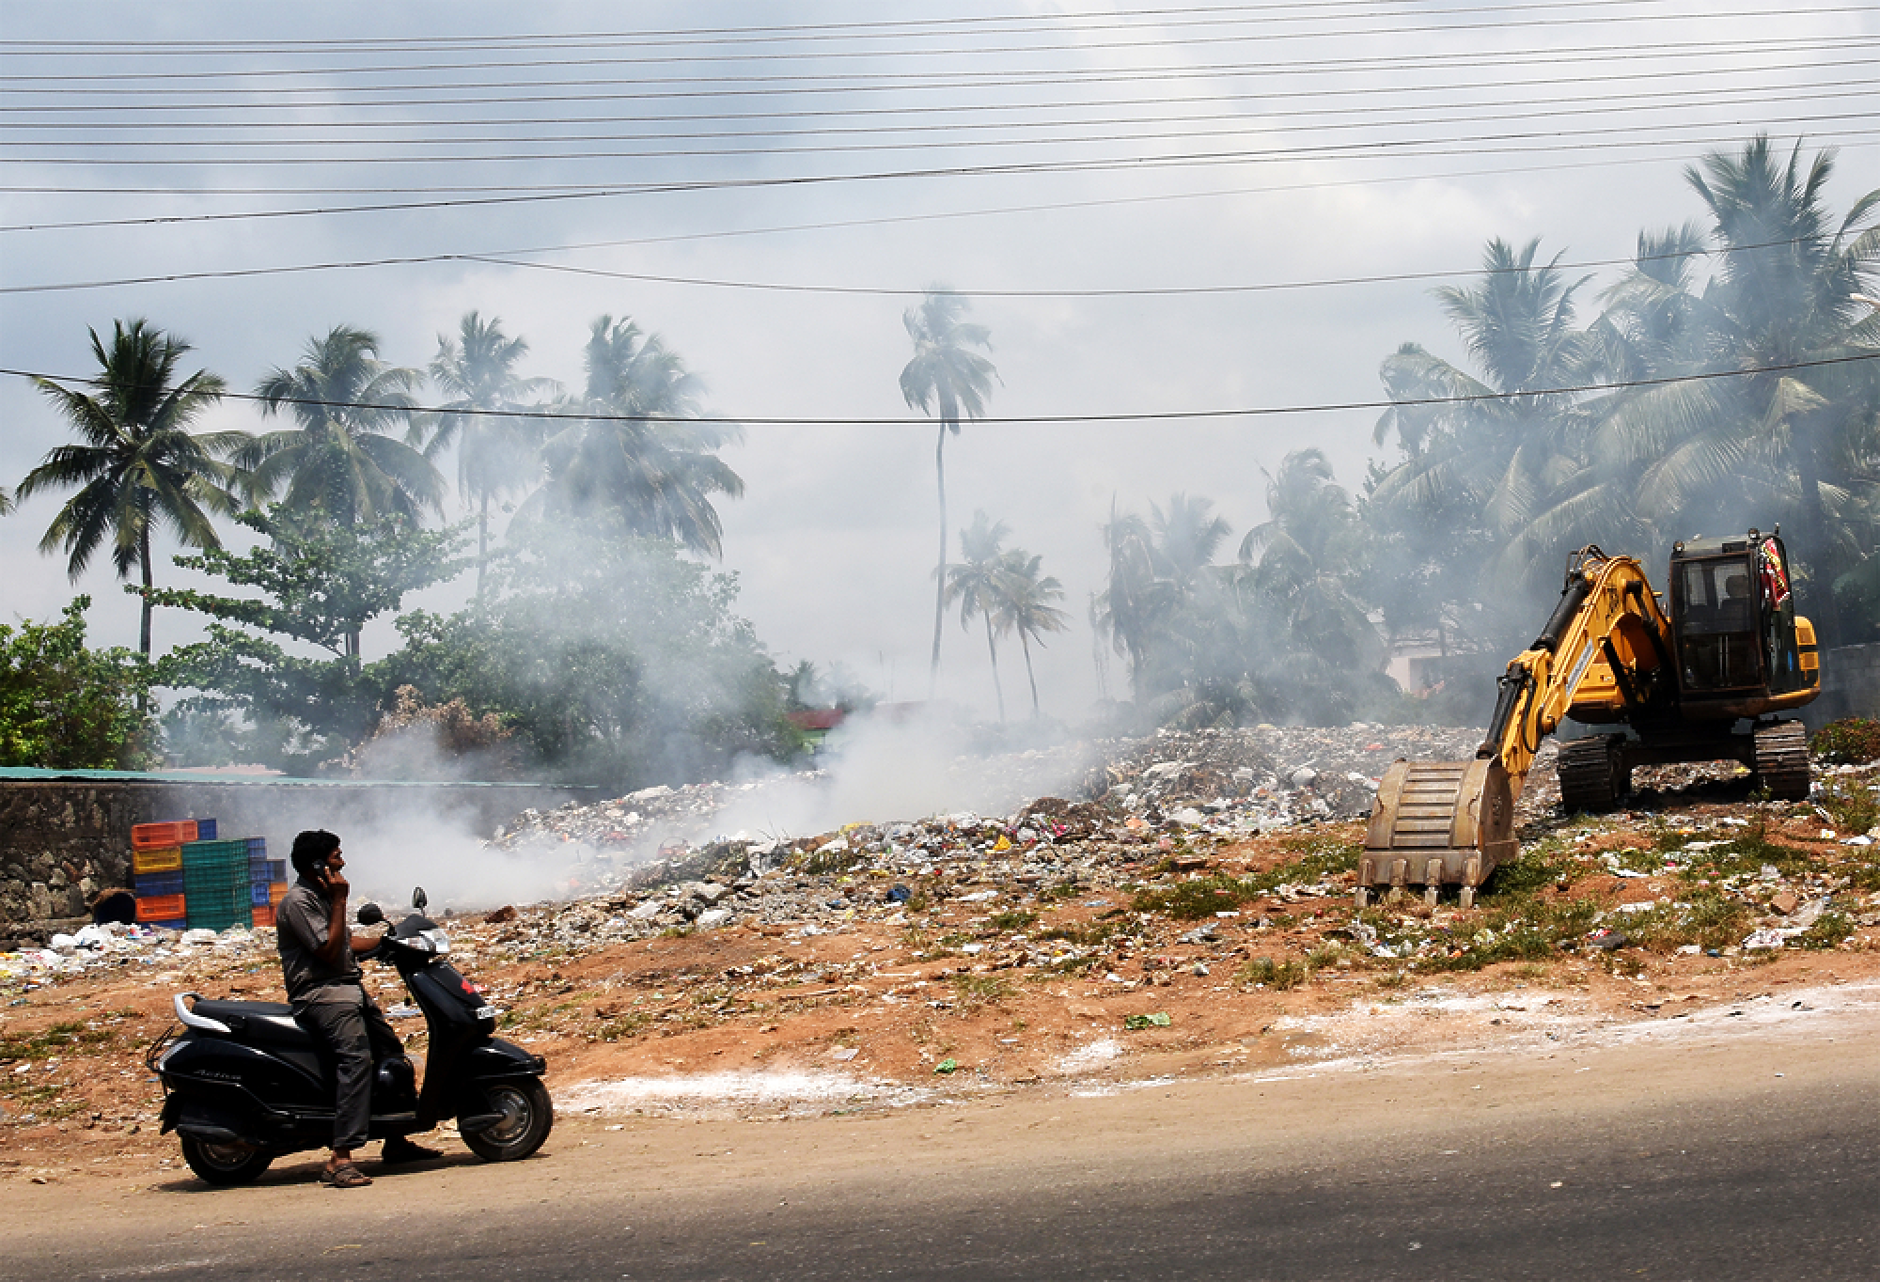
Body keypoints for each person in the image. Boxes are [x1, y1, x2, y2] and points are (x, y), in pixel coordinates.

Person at [276, 829, 440, 1188]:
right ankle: (340, 1157)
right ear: (318, 865)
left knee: (392, 1054)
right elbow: (328, 950)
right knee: (356, 1060)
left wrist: (393, 942)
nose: (343, 862)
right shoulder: (299, 902)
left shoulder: (318, 896)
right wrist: (339, 900)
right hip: (321, 995)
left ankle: (396, 1140)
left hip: (347, 991)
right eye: (336, 856)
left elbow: (347, 941)